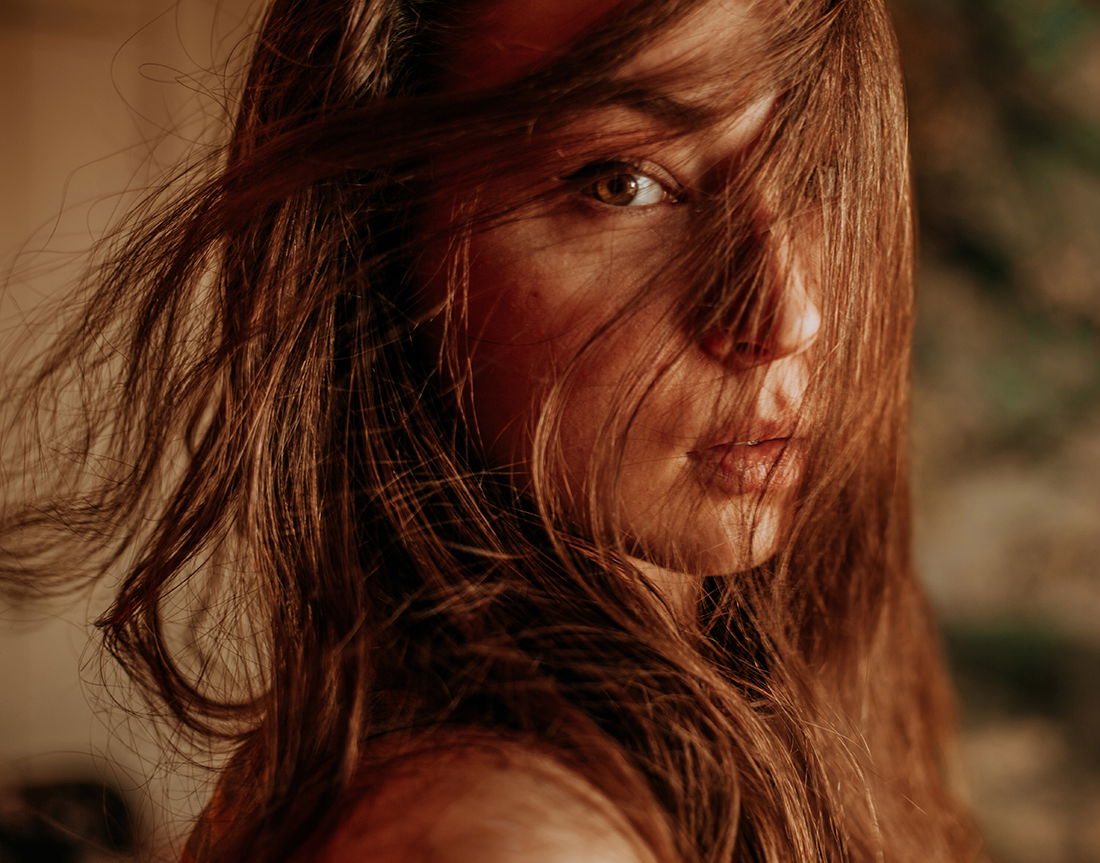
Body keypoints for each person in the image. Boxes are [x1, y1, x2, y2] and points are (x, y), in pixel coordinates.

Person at [1, 0, 986, 859]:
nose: (788, 314)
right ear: (381, 249)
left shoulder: (800, 688)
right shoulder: (508, 836)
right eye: (620, 181)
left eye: (821, 170)